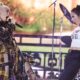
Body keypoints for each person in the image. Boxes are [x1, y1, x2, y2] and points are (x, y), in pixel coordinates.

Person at [0, 2, 36, 80]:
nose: (8, 15)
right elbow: (3, 36)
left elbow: (19, 54)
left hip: (10, 74)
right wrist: (12, 25)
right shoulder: (5, 33)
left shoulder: (9, 36)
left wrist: (30, 73)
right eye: (6, 12)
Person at [59, 5, 80, 80]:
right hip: (70, 56)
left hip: (76, 57)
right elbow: (72, 41)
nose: (71, 19)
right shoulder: (76, 29)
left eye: (73, 16)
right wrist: (63, 38)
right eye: (71, 17)